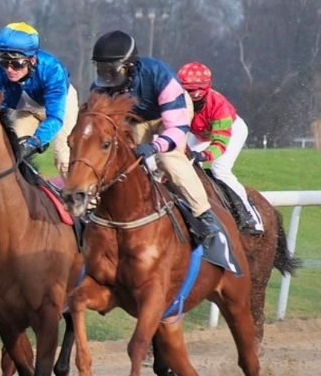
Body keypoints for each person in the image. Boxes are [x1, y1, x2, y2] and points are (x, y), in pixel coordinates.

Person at [90, 30, 225, 247]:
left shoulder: (160, 75)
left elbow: (176, 127)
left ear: (130, 66)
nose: (106, 77)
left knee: (168, 158)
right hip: (137, 120)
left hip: (171, 115)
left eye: (111, 70)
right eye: (101, 69)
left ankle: (204, 216)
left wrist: (155, 146)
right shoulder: (100, 88)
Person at [177, 61, 263, 235]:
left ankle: (250, 216)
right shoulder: (176, 100)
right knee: (180, 164)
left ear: (207, 87)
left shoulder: (219, 106)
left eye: (196, 90)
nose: (192, 95)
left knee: (219, 169)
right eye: (187, 89)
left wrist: (202, 155)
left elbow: (219, 145)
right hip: (200, 133)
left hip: (231, 130)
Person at [0, 22, 79, 178]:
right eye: (4, 62)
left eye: (16, 64)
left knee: (63, 159)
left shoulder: (52, 69)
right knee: (11, 154)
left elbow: (55, 118)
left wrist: (35, 142)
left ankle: (80, 201)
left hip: (60, 108)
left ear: (32, 60)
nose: (9, 70)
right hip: (26, 111)